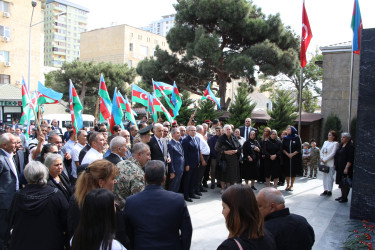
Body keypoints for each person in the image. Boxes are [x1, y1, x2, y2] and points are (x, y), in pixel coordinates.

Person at [124, 160, 192, 250]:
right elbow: (187, 231)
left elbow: (128, 233)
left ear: (144, 177)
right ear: (164, 179)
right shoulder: (177, 200)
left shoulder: (131, 201)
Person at [5, 161, 69, 250]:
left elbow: (10, 219)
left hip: (23, 243)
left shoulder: (18, 196)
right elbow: (66, 220)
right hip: (51, 242)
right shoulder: (56, 194)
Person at [67, 160, 127, 247]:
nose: (115, 181)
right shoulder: (107, 204)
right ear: (101, 183)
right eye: (113, 179)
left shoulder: (76, 199)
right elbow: (121, 236)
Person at [217, 185, 276, 250]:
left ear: (235, 212)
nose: (222, 212)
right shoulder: (267, 235)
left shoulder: (229, 247)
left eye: (224, 207)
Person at [114, 142, 151, 210]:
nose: (149, 158)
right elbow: (138, 200)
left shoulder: (120, 164)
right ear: (139, 154)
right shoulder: (138, 173)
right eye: (148, 154)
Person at [0, 133, 17, 248]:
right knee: (3, 231)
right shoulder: (1, 159)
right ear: (5, 145)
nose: (16, 144)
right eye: (14, 142)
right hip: (3, 203)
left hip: (11, 200)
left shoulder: (10, 156)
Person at [215, 125, 241, 194]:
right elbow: (217, 148)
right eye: (227, 129)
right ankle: (223, 188)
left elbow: (239, 147)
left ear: (231, 130)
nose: (228, 131)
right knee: (224, 174)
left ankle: (229, 189)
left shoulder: (234, 137)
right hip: (224, 159)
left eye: (229, 129)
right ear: (224, 130)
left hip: (233, 160)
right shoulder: (221, 138)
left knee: (231, 175)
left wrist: (236, 151)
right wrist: (225, 152)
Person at [181, 126, 201, 202]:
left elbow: (197, 151)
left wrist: (198, 161)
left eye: (194, 130)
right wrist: (186, 164)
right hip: (189, 164)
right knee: (187, 180)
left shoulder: (197, 139)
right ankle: (186, 195)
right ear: (188, 131)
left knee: (193, 179)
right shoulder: (186, 140)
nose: (193, 131)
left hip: (196, 163)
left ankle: (191, 193)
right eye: (191, 130)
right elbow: (185, 154)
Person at [334, 132, 355, 203]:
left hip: (345, 167)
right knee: (341, 182)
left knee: (345, 183)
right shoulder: (341, 145)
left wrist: (347, 167)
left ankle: (345, 197)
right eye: (341, 137)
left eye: (343, 137)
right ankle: (342, 195)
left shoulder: (350, 146)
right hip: (339, 167)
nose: (342, 138)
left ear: (348, 138)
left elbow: (350, 158)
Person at [282, 125, 302, 191]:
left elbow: (299, 148)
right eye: (287, 129)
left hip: (294, 157)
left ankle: (292, 185)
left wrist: (293, 154)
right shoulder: (285, 138)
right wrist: (287, 154)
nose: (287, 130)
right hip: (287, 157)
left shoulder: (296, 137)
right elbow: (283, 148)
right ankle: (287, 185)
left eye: (289, 129)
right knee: (287, 171)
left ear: (292, 130)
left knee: (293, 171)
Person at [320, 130, 339, 196]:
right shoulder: (325, 142)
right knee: (324, 176)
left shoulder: (335, 143)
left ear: (333, 136)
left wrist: (325, 159)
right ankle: (325, 189)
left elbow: (333, 153)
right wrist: (322, 158)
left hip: (330, 162)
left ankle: (329, 190)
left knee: (330, 177)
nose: (329, 136)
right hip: (323, 162)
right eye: (328, 135)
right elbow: (321, 151)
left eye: (330, 135)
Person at [167, 128, 185, 192]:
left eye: (179, 133)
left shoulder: (179, 143)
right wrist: (172, 171)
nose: (179, 134)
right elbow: (170, 158)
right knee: (173, 187)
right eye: (177, 133)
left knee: (177, 186)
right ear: (173, 135)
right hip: (175, 170)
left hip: (180, 168)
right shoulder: (170, 144)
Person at [195, 125, 210, 195]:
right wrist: (202, 160)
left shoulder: (200, 136)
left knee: (202, 174)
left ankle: (200, 187)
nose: (204, 130)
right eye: (203, 129)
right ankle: (197, 189)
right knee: (199, 174)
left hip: (205, 156)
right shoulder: (198, 136)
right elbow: (199, 150)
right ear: (200, 130)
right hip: (203, 157)